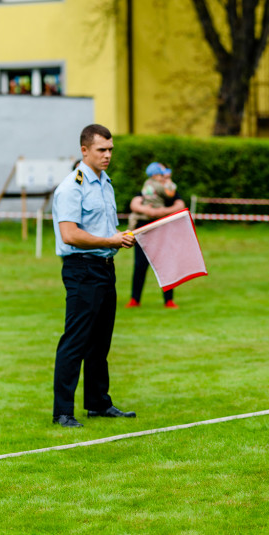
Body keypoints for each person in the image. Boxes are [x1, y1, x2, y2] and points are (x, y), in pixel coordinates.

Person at [51, 124, 137, 427]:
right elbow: (70, 234)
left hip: (104, 268)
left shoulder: (105, 183)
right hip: (82, 269)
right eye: (102, 149)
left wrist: (121, 237)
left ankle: (98, 403)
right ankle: (63, 412)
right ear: (84, 150)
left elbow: (103, 229)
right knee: (75, 341)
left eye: (111, 149)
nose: (108, 155)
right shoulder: (72, 187)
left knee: (100, 342)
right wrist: (111, 241)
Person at [125, 168, 187, 309]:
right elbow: (134, 204)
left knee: (166, 266)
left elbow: (180, 205)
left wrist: (161, 212)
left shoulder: (169, 190)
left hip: (163, 231)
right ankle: (135, 299)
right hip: (144, 231)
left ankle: (169, 300)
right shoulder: (147, 188)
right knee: (140, 265)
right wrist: (148, 211)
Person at [128, 161, 176, 230]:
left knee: (133, 217)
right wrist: (170, 186)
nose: (162, 177)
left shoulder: (146, 183)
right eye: (161, 175)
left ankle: (129, 233)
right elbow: (169, 195)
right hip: (158, 210)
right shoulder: (159, 185)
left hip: (147, 210)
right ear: (154, 175)